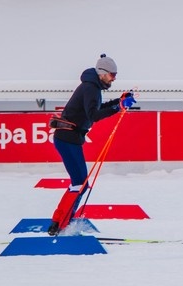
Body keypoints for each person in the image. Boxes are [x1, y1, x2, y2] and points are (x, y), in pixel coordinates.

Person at [47, 54, 135, 235]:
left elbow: (96, 109)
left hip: (70, 138)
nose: (114, 78)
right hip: (67, 139)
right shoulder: (90, 88)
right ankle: (61, 224)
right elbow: (93, 115)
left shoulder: (92, 87)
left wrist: (119, 101)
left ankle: (59, 222)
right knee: (80, 184)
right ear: (102, 73)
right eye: (112, 75)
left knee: (80, 183)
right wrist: (118, 107)